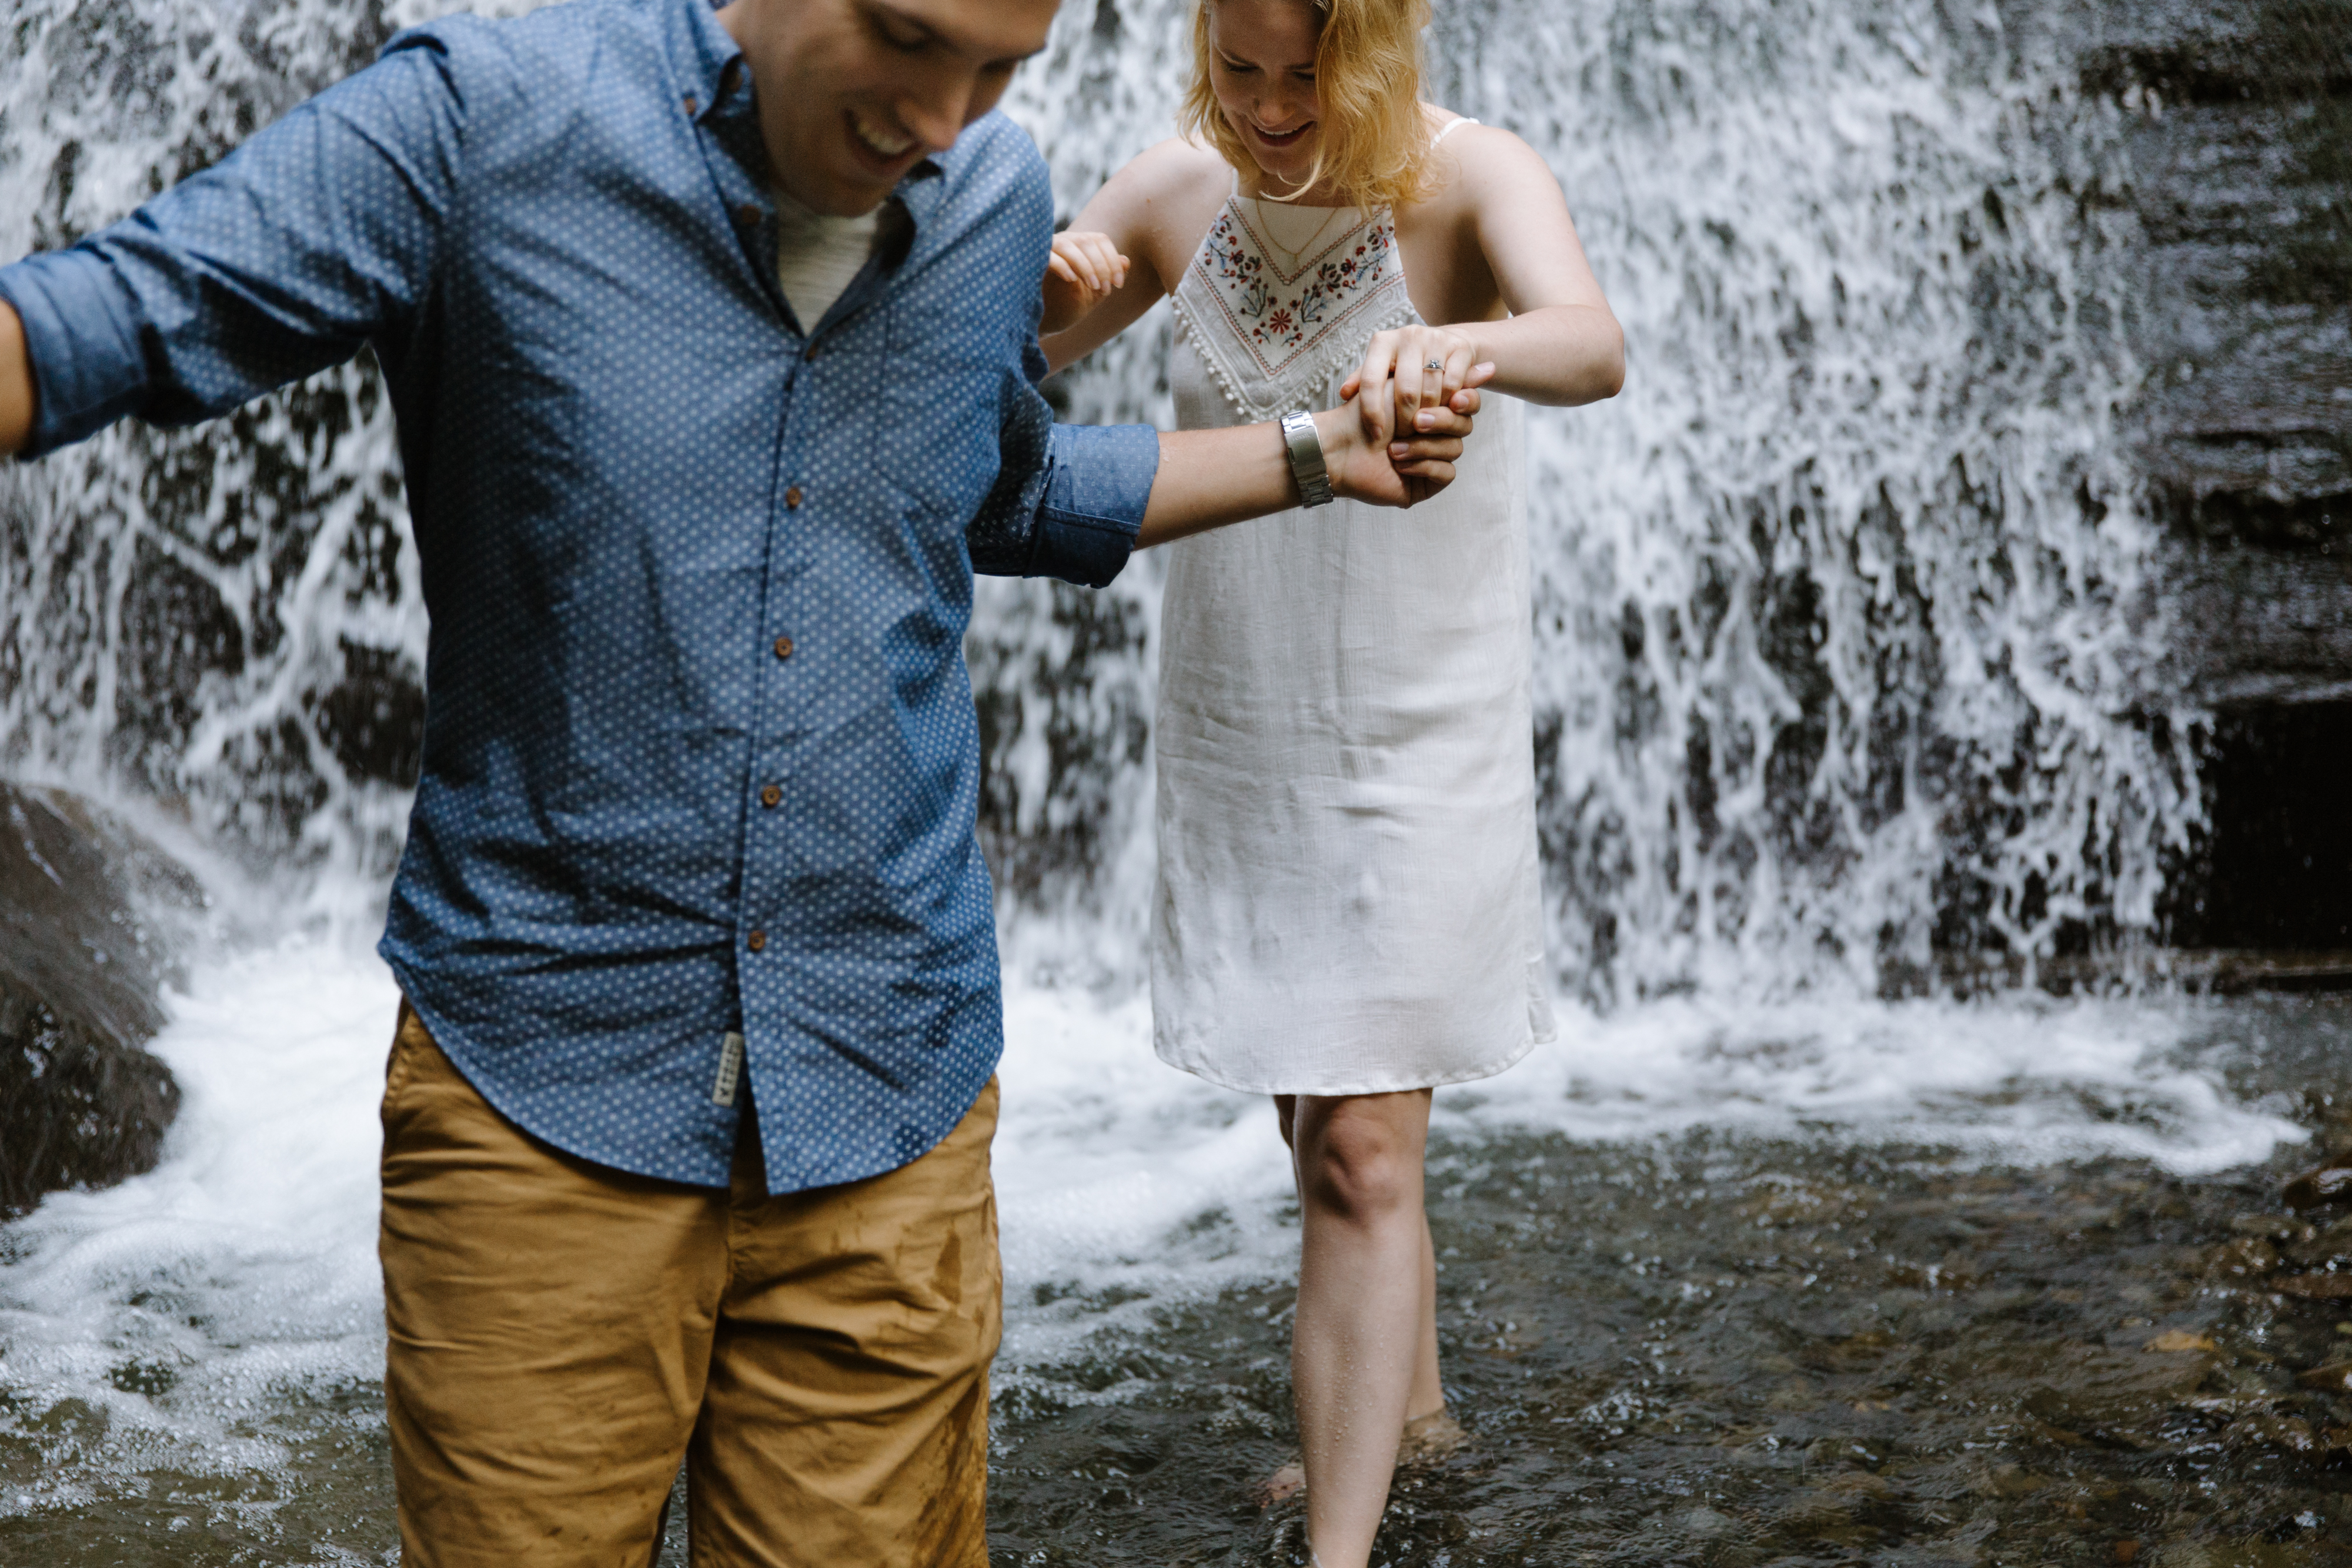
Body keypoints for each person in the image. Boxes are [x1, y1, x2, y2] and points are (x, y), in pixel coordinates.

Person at [0, 0, 1492, 1561]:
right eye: (912, 43)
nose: (945, 115)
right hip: (545, 1103)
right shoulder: (486, 121)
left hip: (888, 1104)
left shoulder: (989, 191)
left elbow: (993, 480)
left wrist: (1325, 453)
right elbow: (109, 317)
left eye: (1000, 70)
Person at [1037, 0, 1624, 1561]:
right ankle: (1410, 1406)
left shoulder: (1472, 177)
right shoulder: (1173, 192)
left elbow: (1592, 342)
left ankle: (1342, 1546)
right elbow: (987, 378)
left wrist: (1464, 341)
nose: (1276, 106)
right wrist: (1040, 286)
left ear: (1375, 55)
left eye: (1311, 74)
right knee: (1325, 1125)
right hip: (1251, 725)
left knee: (1367, 1148)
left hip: (1420, 735)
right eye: (1244, 69)